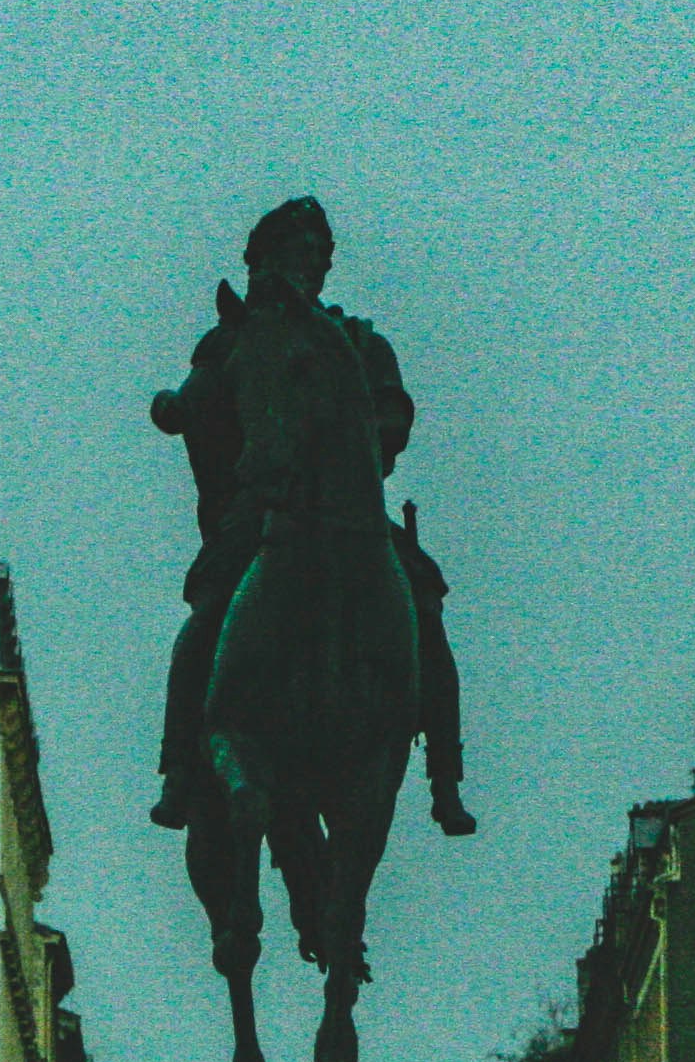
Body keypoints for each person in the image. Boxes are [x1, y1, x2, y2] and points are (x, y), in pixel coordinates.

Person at [149, 196, 475, 837]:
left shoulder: (355, 340)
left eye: (314, 258)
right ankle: (180, 767)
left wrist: (369, 441)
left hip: (346, 507)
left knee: (425, 602)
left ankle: (446, 775)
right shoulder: (232, 340)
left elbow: (393, 410)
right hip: (261, 506)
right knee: (211, 610)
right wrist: (178, 407)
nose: (303, 270)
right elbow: (202, 394)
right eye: (291, 257)